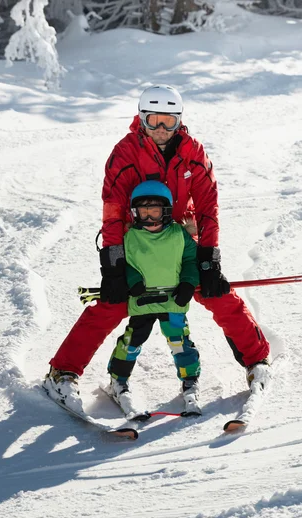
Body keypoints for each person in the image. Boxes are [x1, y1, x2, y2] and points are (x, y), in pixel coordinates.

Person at [43, 84, 270, 409]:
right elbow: (113, 211)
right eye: (153, 121)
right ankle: (61, 373)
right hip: (140, 241)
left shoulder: (193, 152)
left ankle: (257, 360)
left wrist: (208, 259)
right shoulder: (124, 153)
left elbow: (208, 207)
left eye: (168, 121)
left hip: (179, 238)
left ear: (179, 121)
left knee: (217, 293)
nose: (160, 130)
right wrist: (115, 266)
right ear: (141, 119)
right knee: (113, 304)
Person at [106, 180, 201, 420]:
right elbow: (126, 264)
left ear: (166, 211)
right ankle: (118, 381)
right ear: (135, 213)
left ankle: (190, 381)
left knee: (179, 340)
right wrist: (133, 280)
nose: (149, 219)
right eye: (143, 212)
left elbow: (191, 259)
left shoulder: (178, 234)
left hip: (173, 301)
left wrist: (188, 282)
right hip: (142, 303)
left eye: (155, 212)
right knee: (132, 341)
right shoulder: (131, 237)